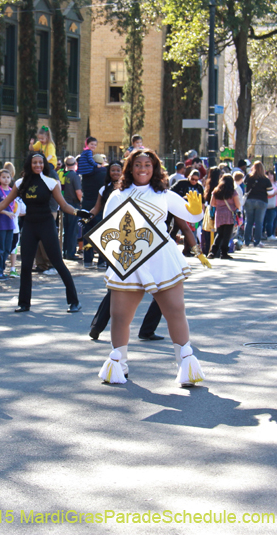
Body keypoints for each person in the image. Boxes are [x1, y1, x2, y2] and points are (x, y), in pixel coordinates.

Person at [94, 150, 206, 387]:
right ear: (130, 168)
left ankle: (186, 365)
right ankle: (119, 365)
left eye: (148, 164)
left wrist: (197, 210)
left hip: (161, 257)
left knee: (175, 310)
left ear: (155, 168)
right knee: (120, 315)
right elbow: (107, 230)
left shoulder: (165, 194)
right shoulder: (117, 195)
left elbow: (191, 215)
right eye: (137, 165)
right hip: (129, 257)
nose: (142, 169)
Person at [0, 153, 89, 312]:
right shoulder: (21, 183)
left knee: (58, 263)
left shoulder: (50, 182)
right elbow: (2, 204)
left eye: (41, 163)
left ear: (44, 164)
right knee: (26, 266)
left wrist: (78, 212)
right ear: (29, 164)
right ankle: (24, 303)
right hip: (29, 225)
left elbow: (63, 205)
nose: (38, 165)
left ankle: (74, 301)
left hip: (46, 224)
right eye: (34, 163)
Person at [208, 174, 242, 260]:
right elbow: (238, 204)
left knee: (219, 234)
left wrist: (220, 205)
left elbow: (212, 203)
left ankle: (213, 251)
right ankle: (224, 253)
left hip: (219, 214)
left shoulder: (216, 191)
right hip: (229, 215)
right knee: (227, 234)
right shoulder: (233, 192)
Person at [243, 161, 272, 247]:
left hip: (249, 200)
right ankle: (257, 241)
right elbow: (270, 192)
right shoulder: (266, 179)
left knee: (248, 222)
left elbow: (244, 187)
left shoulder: (248, 177)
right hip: (261, 201)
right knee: (259, 222)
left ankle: (247, 241)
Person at [60, 156, 83, 260]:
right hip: (73, 205)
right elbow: (78, 192)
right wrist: (81, 201)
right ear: (75, 164)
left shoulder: (62, 174)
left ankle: (65, 252)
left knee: (66, 230)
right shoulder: (75, 176)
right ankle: (71, 253)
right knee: (73, 230)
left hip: (64, 204)